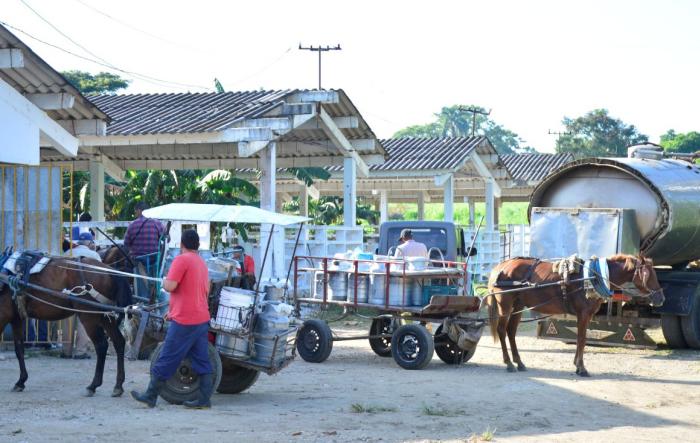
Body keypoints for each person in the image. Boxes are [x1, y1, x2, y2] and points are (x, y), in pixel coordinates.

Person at [131, 229, 213, 409]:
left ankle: (151, 395)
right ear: (197, 245)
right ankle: (204, 399)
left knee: (167, 357)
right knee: (201, 359)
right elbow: (201, 291)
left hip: (186, 320)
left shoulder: (181, 260)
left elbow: (169, 286)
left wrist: (166, 279)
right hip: (201, 318)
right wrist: (173, 311)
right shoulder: (201, 262)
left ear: (182, 244)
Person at [61, 232, 100, 359]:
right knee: (84, 321)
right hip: (86, 292)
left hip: (68, 291)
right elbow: (101, 275)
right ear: (90, 243)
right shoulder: (94, 255)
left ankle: (66, 351)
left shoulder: (67, 254)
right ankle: (80, 351)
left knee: (67, 319)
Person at [124, 202, 164, 300]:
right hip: (155, 260)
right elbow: (167, 239)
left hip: (138, 261)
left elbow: (126, 244)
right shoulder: (157, 223)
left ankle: (138, 296)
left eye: (135, 211)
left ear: (139, 211)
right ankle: (156, 291)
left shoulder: (132, 225)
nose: (135, 214)